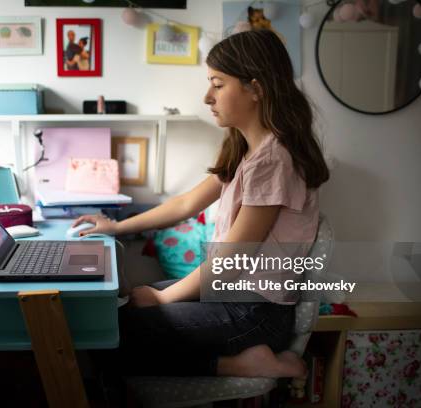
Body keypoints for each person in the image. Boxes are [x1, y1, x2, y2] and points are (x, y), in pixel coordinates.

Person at [74, 29, 329, 379]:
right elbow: (185, 203)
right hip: (231, 298)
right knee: (111, 314)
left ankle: (240, 364)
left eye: (218, 84)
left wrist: (164, 300)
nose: (207, 97)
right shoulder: (248, 153)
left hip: (256, 312)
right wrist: (117, 226)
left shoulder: (273, 161)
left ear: (256, 89)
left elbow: (230, 260)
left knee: (109, 333)